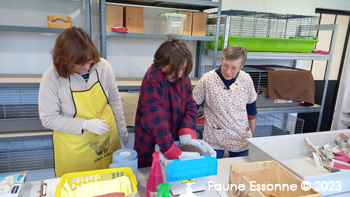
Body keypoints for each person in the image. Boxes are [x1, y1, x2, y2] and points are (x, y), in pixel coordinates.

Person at [38, 26, 129, 177]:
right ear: (65, 61)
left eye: (90, 61)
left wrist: (122, 129)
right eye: (79, 65)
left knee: (109, 185)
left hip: (106, 140)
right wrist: (84, 124)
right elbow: (48, 119)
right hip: (75, 149)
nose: (87, 67)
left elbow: (114, 99)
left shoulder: (103, 67)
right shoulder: (52, 77)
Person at [134, 37, 202, 168]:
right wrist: (170, 148)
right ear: (162, 63)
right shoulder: (152, 78)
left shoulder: (183, 77)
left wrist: (186, 131)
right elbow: (155, 118)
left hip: (173, 140)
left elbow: (190, 105)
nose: (180, 74)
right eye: (177, 69)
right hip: (151, 144)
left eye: (183, 69)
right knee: (152, 180)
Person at [193, 45, 257, 159]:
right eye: (225, 65)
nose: (228, 71)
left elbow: (251, 106)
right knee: (214, 172)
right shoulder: (207, 79)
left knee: (239, 169)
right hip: (214, 137)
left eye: (234, 68)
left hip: (240, 137)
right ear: (222, 60)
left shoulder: (246, 79)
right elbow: (193, 107)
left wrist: (251, 130)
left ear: (241, 66)